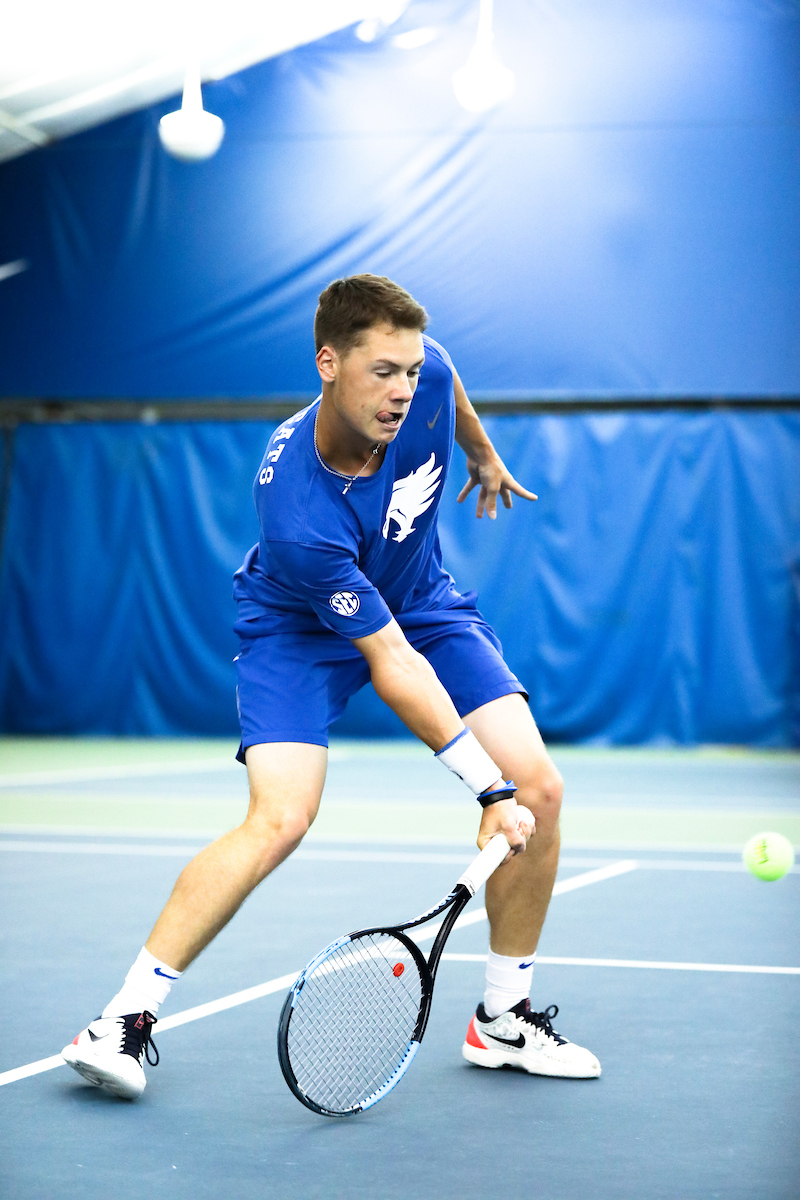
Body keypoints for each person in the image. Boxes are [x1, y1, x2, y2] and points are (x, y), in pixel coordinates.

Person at [62, 274, 600, 1100]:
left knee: (543, 787)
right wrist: (483, 787)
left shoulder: (427, 375)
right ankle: (123, 1019)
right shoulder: (296, 507)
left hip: (419, 599)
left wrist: (484, 453)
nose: (402, 389)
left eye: (410, 370)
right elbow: (392, 665)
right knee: (281, 818)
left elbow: (447, 387)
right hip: (299, 629)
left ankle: (503, 1019)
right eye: (382, 371)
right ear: (328, 363)